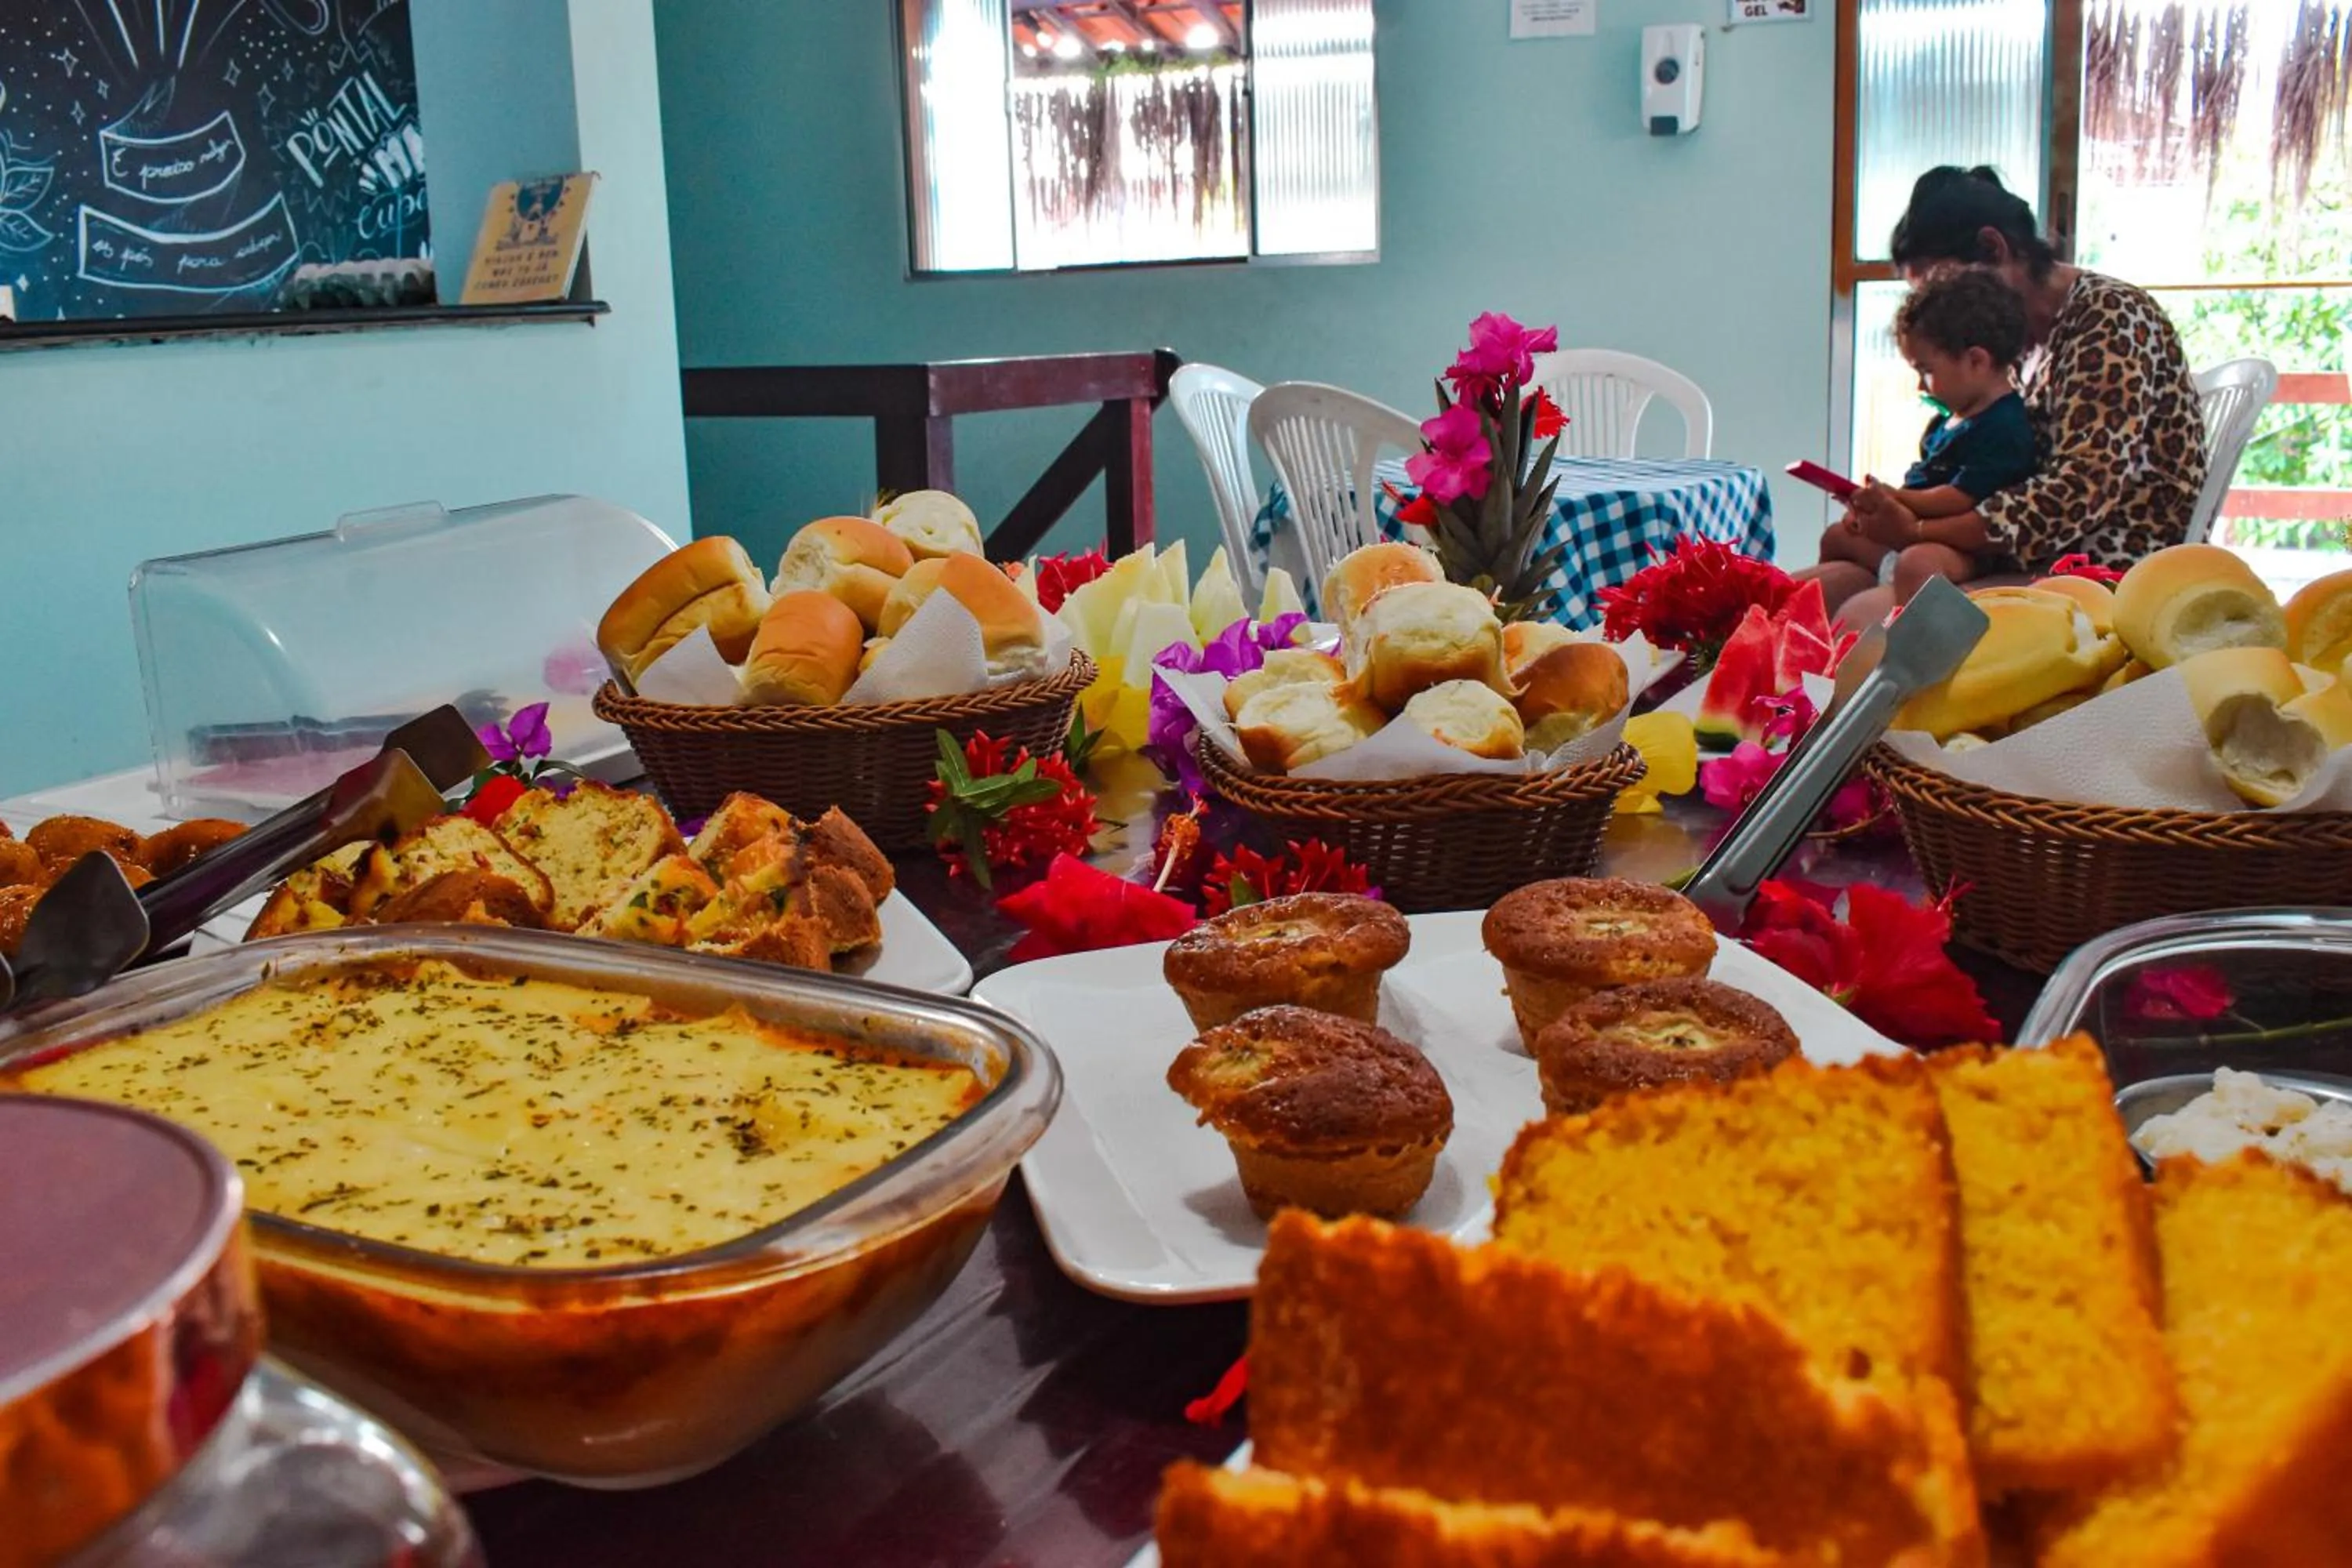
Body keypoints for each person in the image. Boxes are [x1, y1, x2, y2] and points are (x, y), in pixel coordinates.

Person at [1820, 165, 2207, 629]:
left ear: (1993, 248)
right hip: (2012, 547)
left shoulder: (2110, 317)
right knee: (1816, 587)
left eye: (1947, 291)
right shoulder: (2013, 345)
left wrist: (1919, 529)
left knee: (1860, 617)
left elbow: (2080, 492)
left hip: (2101, 563)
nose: (1939, 317)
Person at [1812, 268, 2036, 598]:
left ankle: (1905, 630)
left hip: (1968, 549)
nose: (1921, 386)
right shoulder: (1946, 422)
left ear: (1976, 360)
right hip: (1914, 531)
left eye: (1927, 371)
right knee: (1836, 536)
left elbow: (1959, 497)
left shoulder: (2004, 425)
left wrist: (1896, 498)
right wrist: (1873, 511)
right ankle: (1841, 598)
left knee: (1918, 563)